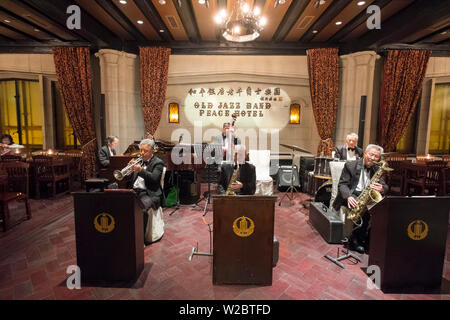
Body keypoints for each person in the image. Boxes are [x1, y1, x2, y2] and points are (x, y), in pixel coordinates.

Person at [332, 144, 388, 254]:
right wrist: (348, 196)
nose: (372, 158)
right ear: (365, 154)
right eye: (371, 154)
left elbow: (385, 186)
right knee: (363, 209)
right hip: (351, 194)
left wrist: (382, 189)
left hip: (368, 194)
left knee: (377, 208)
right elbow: (342, 185)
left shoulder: (378, 169)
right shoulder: (350, 165)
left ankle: (368, 238)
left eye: (376, 156)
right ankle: (355, 240)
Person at [126, 138, 164, 244]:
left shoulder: (158, 163)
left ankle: (140, 240)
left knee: (140, 209)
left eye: (145, 151)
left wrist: (140, 170)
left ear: (152, 151)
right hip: (133, 191)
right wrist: (129, 170)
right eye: (141, 150)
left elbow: (154, 179)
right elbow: (127, 180)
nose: (142, 153)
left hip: (149, 193)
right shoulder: (138, 160)